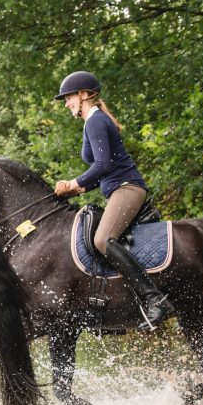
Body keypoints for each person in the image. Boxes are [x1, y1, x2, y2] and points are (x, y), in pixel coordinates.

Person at [52, 71, 173, 330]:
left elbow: (103, 165)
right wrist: (80, 189)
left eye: (69, 98)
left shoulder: (95, 121)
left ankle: (155, 299)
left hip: (127, 188)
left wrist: (73, 183)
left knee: (102, 240)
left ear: (84, 95)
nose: (66, 103)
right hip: (119, 187)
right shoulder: (94, 121)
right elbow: (105, 170)